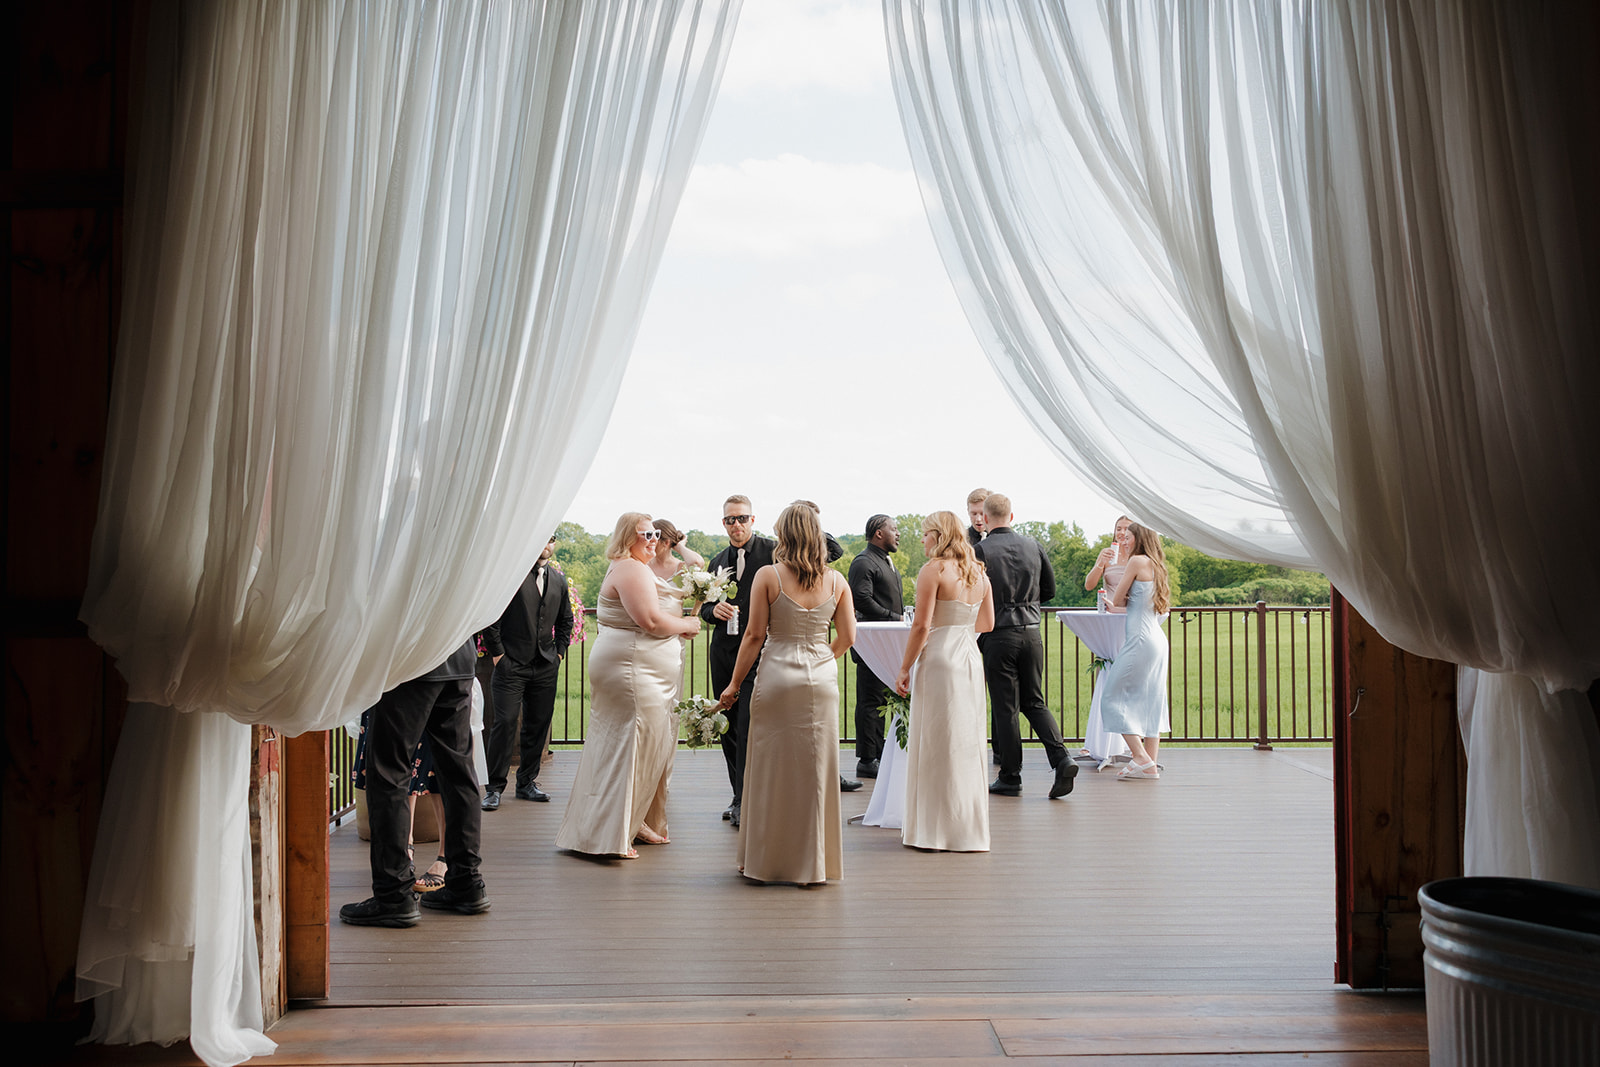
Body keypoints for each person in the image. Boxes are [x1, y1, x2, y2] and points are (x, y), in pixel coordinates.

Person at [717, 504, 856, 885]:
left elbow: (754, 635)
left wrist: (732, 686)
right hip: (822, 680)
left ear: (784, 535)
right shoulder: (836, 581)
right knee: (816, 770)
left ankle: (766, 861)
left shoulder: (768, 576)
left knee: (769, 769)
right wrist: (820, 658)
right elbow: (848, 638)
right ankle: (814, 864)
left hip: (777, 676)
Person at [555, 513, 700, 858]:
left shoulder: (633, 565)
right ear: (626, 537)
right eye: (644, 534)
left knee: (638, 746)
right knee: (634, 746)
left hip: (639, 670)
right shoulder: (631, 569)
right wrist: (686, 624)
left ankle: (632, 822)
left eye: (655, 534)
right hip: (632, 671)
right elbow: (649, 621)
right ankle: (612, 834)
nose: (652, 539)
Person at [340, 638, 489, 926]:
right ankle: (466, 883)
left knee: (388, 772)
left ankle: (393, 895)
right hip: (457, 654)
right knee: (458, 771)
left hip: (411, 655)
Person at [894, 511, 995, 852]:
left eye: (925, 534)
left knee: (936, 741)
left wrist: (905, 667)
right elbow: (987, 624)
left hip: (939, 659)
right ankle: (966, 830)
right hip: (969, 660)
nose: (922, 540)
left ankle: (933, 831)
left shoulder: (933, 570)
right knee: (965, 742)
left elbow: (920, 626)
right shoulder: (979, 572)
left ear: (938, 535)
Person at [974, 492, 1078, 799]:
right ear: (1012, 516)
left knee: (1006, 708)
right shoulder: (1034, 545)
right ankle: (1061, 758)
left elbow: (973, 592)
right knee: (1034, 701)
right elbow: (1050, 589)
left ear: (987, 519)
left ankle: (1010, 776)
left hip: (998, 634)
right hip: (1032, 632)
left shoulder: (979, 551)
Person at [481, 534, 574, 810]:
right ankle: (494, 788)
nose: (546, 544)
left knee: (538, 725)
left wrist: (558, 654)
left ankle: (526, 784)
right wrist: (499, 656)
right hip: (511, 665)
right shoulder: (509, 577)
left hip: (546, 665)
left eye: (551, 539)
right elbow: (492, 618)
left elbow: (566, 620)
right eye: (541, 538)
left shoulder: (558, 579)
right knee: (505, 723)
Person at [1100, 522, 1173, 780]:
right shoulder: (1157, 564)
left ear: (1138, 537)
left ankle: (1140, 757)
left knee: (1110, 697)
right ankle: (1150, 766)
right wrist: (1117, 607)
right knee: (1152, 701)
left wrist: (1114, 603)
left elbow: (1119, 599)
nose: (1124, 540)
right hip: (1157, 639)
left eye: (1128, 536)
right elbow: (1142, 607)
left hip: (1140, 640)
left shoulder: (1136, 562)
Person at [848, 514, 902, 779]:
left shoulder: (884, 561)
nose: (898, 533)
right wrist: (897, 618)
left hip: (886, 643)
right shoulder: (863, 562)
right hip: (871, 643)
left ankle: (879, 754)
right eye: (894, 529)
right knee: (870, 701)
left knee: (880, 700)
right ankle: (867, 760)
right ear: (879, 533)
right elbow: (861, 599)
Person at [1084, 515, 1133, 614]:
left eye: (1126, 529)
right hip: (1109, 613)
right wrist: (1101, 562)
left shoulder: (1137, 557)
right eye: (1118, 529)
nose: (1122, 532)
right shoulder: (1106, 554)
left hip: (1130, 612)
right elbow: (1089, 586)